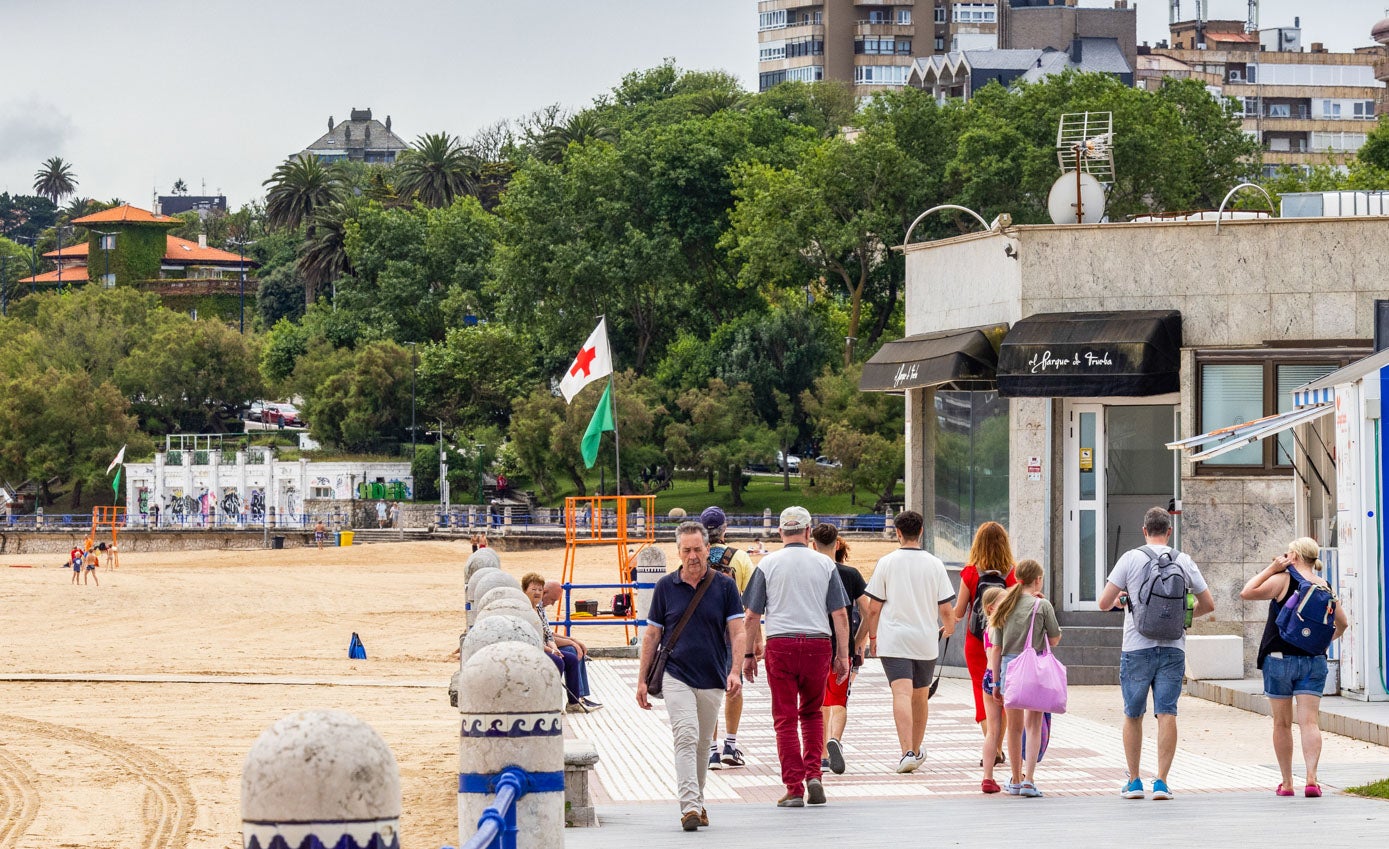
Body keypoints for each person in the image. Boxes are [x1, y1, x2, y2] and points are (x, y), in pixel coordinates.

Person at [1097, 506, 1215, 801]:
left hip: (1136, 647)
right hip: (1174, 648)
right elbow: (1208, 604)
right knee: (1167, 713)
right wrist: (1182, 619)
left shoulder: (1130, 558)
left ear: (1144, 529)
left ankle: (1135, 781)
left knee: (1133, 714)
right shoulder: (1183, 560)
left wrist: (1125, 601)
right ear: (1170, 531)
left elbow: (1103, 603)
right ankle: (1161, 782)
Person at [637, 521, 746, 832]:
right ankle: (689, 808)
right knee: (685, 734)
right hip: (676, 674)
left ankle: (697, 800)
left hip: (713, 675)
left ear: (707, 549)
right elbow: (652, 636)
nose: (693, 555)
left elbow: (738, 632)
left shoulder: (724, 587)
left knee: (701, 744)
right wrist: (642, 679)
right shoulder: (665, 587)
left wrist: (735, 670)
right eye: (687, 550)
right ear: (678, 552)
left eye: (698, 549)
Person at [742, 506, 850, 808]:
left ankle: (794, 787)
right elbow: (839, 613)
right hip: (818, 645)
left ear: (780, 532)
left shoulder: (768, 564)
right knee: (813, 713)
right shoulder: (825, 565)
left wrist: (748, 654)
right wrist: (844, 655)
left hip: (781, 645)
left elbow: (751, 615)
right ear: (807, 532)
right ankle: (814, 774)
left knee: (785, 718)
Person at [1239, 537, 1349, 797]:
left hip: (1278, 658)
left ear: (1295, 556)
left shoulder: (1282, 580)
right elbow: (1343, 624)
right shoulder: (1325, 587)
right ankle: (1311, 780)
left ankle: (1287, 783)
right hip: (1314, 661)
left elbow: (1246, 592)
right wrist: (1320, 644)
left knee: (1282, 724)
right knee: (1310, 723)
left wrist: (1272, 569)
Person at [862, 510, 956, 774]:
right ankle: (915, 748)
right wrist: (947, 629)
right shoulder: (935, 564)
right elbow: (946, 610)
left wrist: (872, 636)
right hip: (925, 641)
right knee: (920, 697)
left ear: (898, 533)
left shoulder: (886, 563)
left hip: (894, 640)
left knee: (900, 693)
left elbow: (873, 608)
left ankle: (906, 752)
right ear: (922, 532)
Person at [986, 559, 1061, 797]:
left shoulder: (1004, 605)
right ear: (1037, 580)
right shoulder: (1042, 605)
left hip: (1009, 669)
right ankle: (1030, 779)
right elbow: (1055, 639)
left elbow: (996, 648)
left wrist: (996, 682)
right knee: (1034, 725)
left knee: (1014, 728)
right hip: (1034, 669)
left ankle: (1015, 778)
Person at [951, 521, 1018, 768]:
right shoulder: (1012, 574)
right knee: (1002, 695)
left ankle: (994, 748)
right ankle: (998, 748)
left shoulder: (970, 573)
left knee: (983, 695)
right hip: (1004, 642)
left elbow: (959, 612)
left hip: (976, 643)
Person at [698, 505, 755, 771]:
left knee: (708, 692)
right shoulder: (741, 558)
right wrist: (756, 642)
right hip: (732, 632)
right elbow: (753, 603)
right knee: (734, 687)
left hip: (702, 633)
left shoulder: (694, 556)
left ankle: (711, 750)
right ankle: (731, 745)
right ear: (725, 529)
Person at [810, 523, 870, 776]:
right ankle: (835, 739)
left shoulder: (809, 572)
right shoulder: (851, 574)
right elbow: (869, 611)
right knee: (839, 698)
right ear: (837, 544)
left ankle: (822, 753)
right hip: (842, 645)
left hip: (814, 642)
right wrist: (860, 640)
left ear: (813, 545)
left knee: (819, 701)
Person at [521, 573, 602, 713]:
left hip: (545, 646)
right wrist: (552, 650)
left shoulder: (539, 609)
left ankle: (574, 702)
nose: (537, 593)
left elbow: (547, 633)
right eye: (534, 590)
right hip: (532, 648)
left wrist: (556, 646)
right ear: (525, 590)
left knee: (570, 657)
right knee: (560, 659)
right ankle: (552, 702)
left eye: (539, 590)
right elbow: (531, 639)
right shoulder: (524, 610)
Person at [542, 579, 603, 712]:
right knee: (571, 650)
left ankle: (578, 697)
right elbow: (544, 637)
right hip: (541, 647)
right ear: (544, 592)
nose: (552, 604)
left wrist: (572, 639)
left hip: (547, 644)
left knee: (574, 648)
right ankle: (577, 697)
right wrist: (570, 642)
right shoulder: (534, 608)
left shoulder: (540, 608)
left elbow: (548, 634)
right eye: (552, 600)